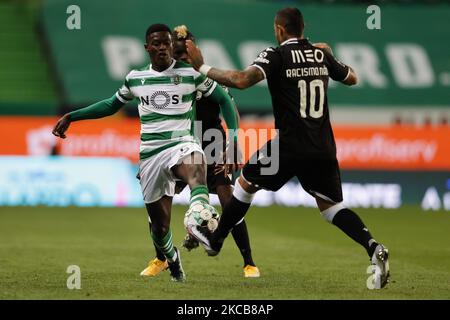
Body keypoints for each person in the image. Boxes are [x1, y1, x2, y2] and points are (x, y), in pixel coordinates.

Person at [186, 7, 390, 289]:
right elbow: (353, 77)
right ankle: (372, 246)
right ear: (302, 28)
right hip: (323, 147)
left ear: (280, 30)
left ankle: (216, 239)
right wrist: (330, 56)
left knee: (245, 183)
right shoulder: (320, 55)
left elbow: (242, 80)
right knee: (332, 208)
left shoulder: (276, 54)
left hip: (290, 145)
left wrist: (202, 67)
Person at [52, 23, 240, 283]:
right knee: (160, 227)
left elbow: (224, 100)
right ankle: (172, 258)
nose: (163, 47)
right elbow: (110, 105)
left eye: (166, 43)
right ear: (147, 48)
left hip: (181, 143)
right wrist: (73, 116)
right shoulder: (135, 78)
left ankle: (199, 213)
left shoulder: (190, 74)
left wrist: (233, 140)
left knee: (195, 161)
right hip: (151, 155)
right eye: (157, 43)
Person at [142, 25, 259, 279]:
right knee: (158, 204)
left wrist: (233, 145)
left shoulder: (206, 78)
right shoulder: (167, 79)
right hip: (177, 145)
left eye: (188, 56)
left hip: (211, 142)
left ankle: (249, 263)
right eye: (180, 56)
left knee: (229, 200)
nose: (184, 61)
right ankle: (162, 258)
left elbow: (229, 105)